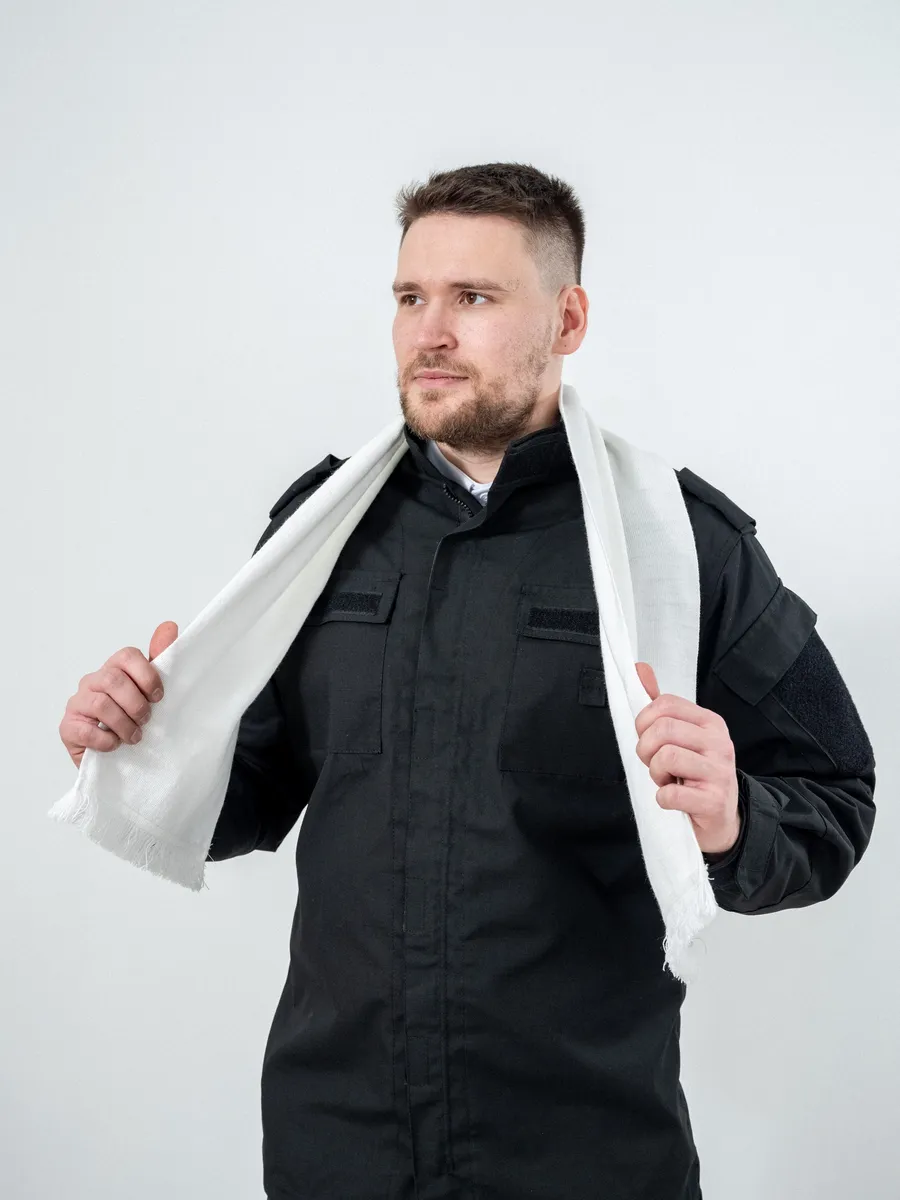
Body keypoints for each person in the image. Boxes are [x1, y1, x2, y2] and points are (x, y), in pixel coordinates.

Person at [59, 162, 876, 1200]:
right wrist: (140, 743)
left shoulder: (681, 543)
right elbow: (250, 792)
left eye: (474, 298)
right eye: (410, 297)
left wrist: (734, 819)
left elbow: (837, 798)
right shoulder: (319, 533)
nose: (429, 333)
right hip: (339, 1148)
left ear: (567, 319)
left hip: (588, 1156)